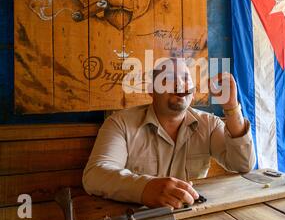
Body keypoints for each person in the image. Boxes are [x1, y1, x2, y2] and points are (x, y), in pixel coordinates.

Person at [83, 58, 256, 209]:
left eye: (185, 79)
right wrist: (144, 188)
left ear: (193, 91)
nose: (179, 84)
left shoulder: (209, 124)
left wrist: (231, 108)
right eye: (168, 79)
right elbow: (94, 175)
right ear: (151, 90)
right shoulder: (120, 123)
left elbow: (242, 165)